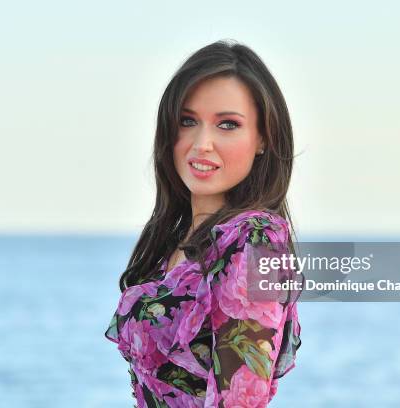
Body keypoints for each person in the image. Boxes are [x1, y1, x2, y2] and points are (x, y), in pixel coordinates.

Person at [105, 39, 302, 407]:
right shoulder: (177, 246)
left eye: (227, 124)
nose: (202, 143)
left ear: (262, 138)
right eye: (188, 121)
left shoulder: (254, 239)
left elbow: (241, 398)